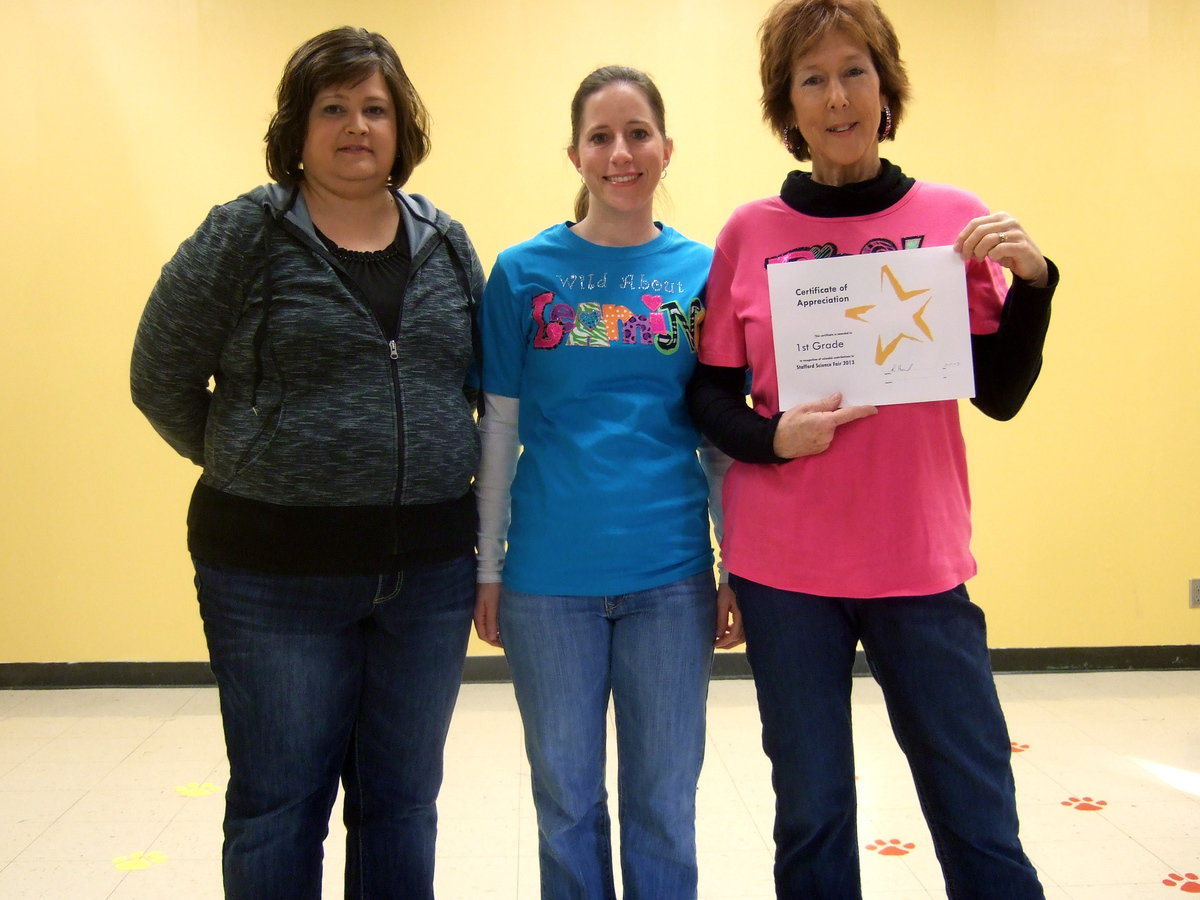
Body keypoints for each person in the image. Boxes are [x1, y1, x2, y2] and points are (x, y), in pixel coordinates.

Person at [687, 1, 1057, 897]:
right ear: (789, 104)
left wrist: (1037, 283)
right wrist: (774, 438)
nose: (837, 96)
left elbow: (999, 395)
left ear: (885, 88)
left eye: (854, 71)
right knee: (812, 816)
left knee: (976, 809)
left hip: (919, 564)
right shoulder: (751, 232)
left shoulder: (951, 221)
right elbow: (707, 395)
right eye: (812, 78)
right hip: (786, 573)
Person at [130, 27, 483, 899]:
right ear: (298, 127)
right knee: (280, 804)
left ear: (403, 128)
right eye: (334, 107)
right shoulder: (244, 234)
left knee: (404, 803)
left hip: (429, 575)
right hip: (272, 576)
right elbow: (160, 375)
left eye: (375, 108)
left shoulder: (445, 241)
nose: (356, 126)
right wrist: (251, 461)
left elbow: (479, 383)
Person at [473, 65, 741, 899]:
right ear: (574, 154)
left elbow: (720, 443)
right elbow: (499, 433)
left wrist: (737, 562)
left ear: (666, 148)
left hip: (671, 580)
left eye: (637, 134)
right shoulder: (522, 274)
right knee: (566, 805)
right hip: (547, 585)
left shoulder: (706, 273)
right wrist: (487, 567)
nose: (620, 153)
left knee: (665, 802)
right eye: (601, 137)